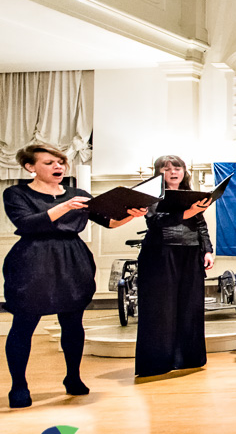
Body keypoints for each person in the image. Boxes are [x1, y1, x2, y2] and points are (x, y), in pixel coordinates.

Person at [4, 144, 145, 408]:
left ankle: (73, 377)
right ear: (30, 167)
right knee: (24, 323)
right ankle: (19, 386)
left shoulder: (78, 194)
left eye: (60, 162)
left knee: (72, 322)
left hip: (72, 258)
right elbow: (26, 223)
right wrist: (65, 207)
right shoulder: (16, 193)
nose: (58, 166)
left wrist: (130, 216)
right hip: (33, 259)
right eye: (49, 163)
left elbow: (108, 222)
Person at [135, 155, 214, 377]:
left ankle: (187, 358)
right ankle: (157, 362)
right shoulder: (151, 193)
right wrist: (189, 212)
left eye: (177, 168)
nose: (173, 172)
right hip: (161, 253)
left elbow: (201, 225)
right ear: (158, 172)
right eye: (167, 168)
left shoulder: (190, 193)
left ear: (184, 171)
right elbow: (156, 221)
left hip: (191, 253)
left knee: (190, 306)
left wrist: (207, 250)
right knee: (161, 308)